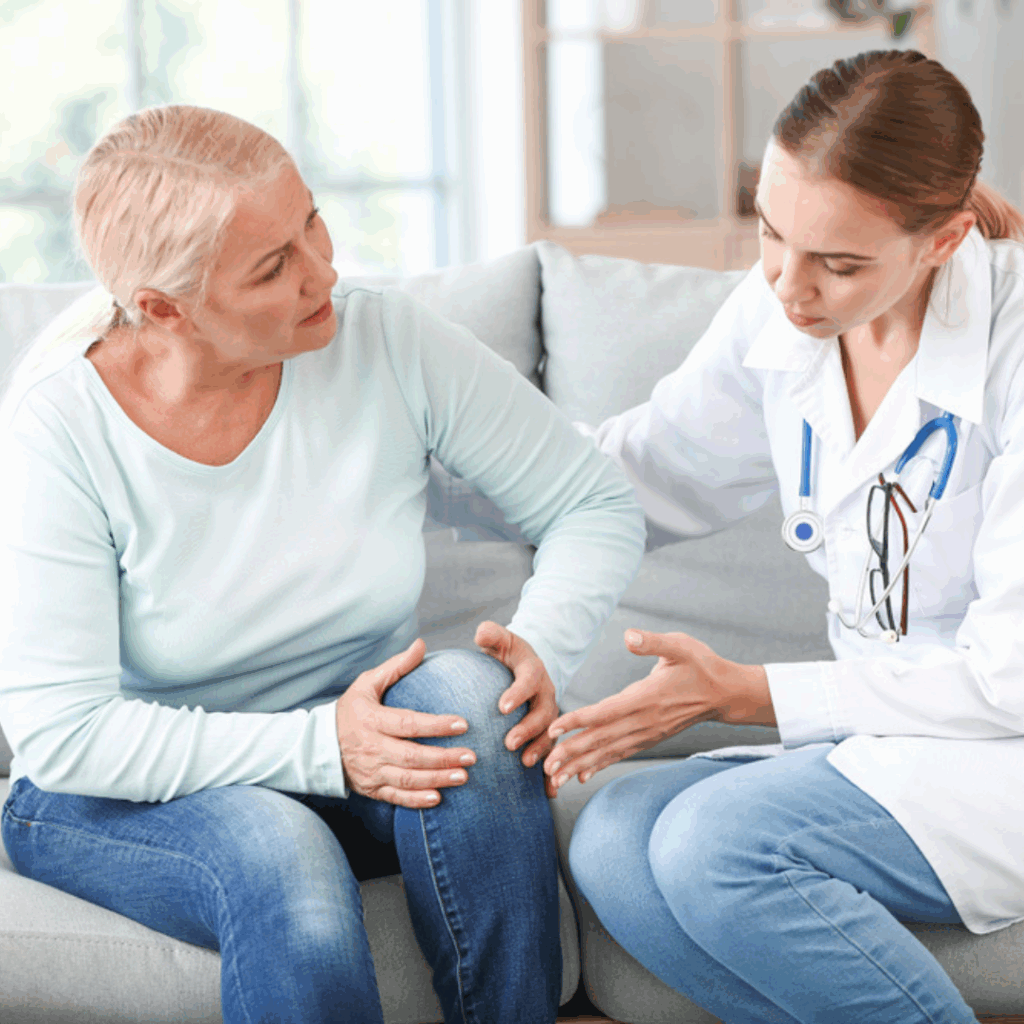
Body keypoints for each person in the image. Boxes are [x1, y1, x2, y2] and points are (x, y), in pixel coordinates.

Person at [0, 105, 646, 1024]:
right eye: (273, 267)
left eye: (312, 222)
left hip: (362, 750)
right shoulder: (61, 429)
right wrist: (322, 747)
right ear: (164, 309)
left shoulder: (384, 341)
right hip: (117, 791)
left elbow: (592, 501)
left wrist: (541, 644)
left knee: (473, 701)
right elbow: (66, 736)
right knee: (276, 846)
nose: (324, 272)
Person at [540, 49, 1024, 1023]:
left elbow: (1007, 676)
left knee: (713, 846)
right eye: (770, 232)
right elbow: (653, 471)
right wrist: (439, 456)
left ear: (942, 241)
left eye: (839, 264)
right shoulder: (782, 308)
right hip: (893, 734)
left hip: (1000, 739)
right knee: (613, 839)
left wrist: (749, 693)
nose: (788, 286)